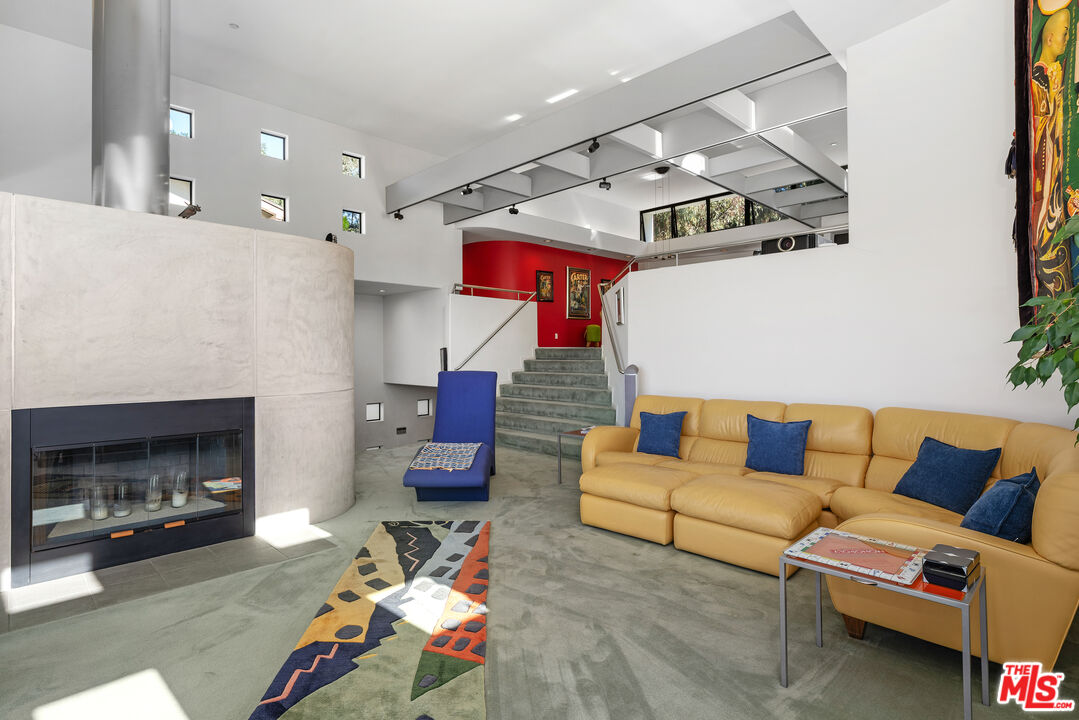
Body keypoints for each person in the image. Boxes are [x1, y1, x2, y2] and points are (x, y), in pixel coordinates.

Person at [1031, 7, 1074, 295]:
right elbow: (1042, 120)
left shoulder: (1057, 70)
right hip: (1047, 156)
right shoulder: (1039, 75)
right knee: (1049, 210)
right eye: (1064, 34)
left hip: (1057, 154)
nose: (1067, 40)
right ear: (1049, 38)